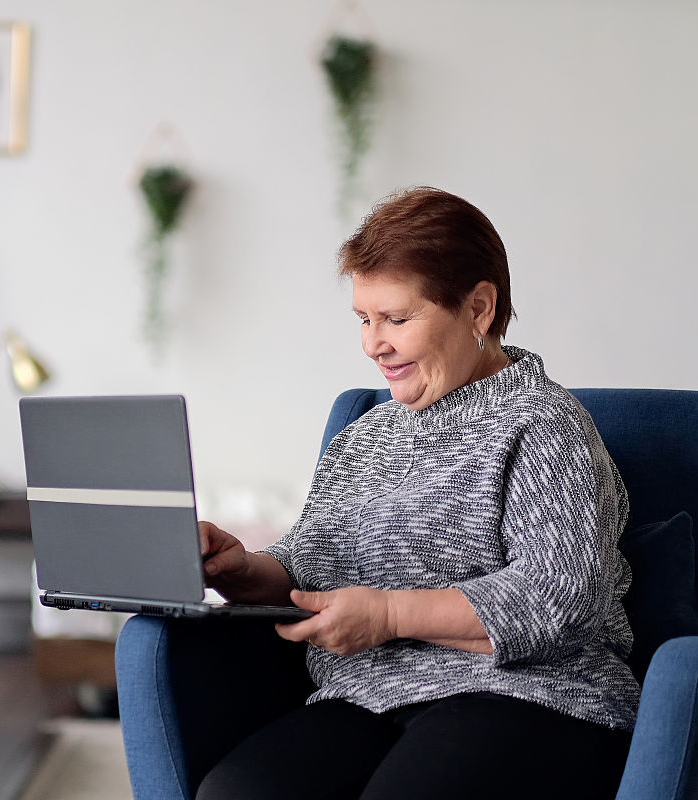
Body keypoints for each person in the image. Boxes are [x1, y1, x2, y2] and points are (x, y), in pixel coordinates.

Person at [196, 187, 639, 800]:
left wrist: (388, 615)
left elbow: (555, 598)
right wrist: (239, 568)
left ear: (479, 308)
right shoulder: (365, 438)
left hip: (534, 696)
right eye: (363, 319)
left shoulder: (543, 426)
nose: (372, 344)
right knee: (234, 793)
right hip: (370, 697)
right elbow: (312, 569)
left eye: (397, 319)